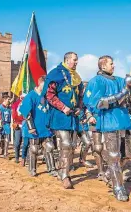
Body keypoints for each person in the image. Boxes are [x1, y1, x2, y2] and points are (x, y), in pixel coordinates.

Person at [84, 55, 131, 202]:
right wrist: (121, 93)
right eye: (111, 64)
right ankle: (118, 188)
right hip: (109, 121)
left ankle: (109, 173)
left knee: (128, 154)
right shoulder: (97, 81)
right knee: (114, 156)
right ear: (103, 66)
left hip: (123, 120)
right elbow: (98, 103)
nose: (113, 66)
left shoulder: (120, 80)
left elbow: (130, 99)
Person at [42, 51, 84, 189]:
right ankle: (65, 176)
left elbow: (81, 96)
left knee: (72, 146)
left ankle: (62, 169)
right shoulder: (56, 73)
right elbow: (49, 94)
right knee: (66, 143)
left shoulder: (77, 77)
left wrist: (79, 107)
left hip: (73, 116)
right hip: (60, 115)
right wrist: (62, 107)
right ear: (66, 60)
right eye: (74, 60)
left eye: (77, 60)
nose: (77, 62)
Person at [19, 76, 57, 177]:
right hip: (35, 128)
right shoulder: (31, 96)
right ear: (40, 83)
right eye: (45, 85)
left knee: (49, 147)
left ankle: (52, 168)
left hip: (46, 128)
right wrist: (31, 127)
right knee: (34, 149)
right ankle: (32, 169)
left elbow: (50, 111)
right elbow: (26, 112)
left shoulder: (46, 96)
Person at [0, 92, 12, 159]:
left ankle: (5, 154)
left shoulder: (9, 109)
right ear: (4, 99)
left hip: (7, 125)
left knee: (6, 140)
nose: (9, 101)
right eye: (8, 99)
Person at [12, 94, 25, 164]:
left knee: (26, 143)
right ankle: (17, 157)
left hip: (25, 125)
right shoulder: (16, 104)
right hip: (18, 125)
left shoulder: (27, 103)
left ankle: (24, 157)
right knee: (17, 143)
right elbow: (14, 115)